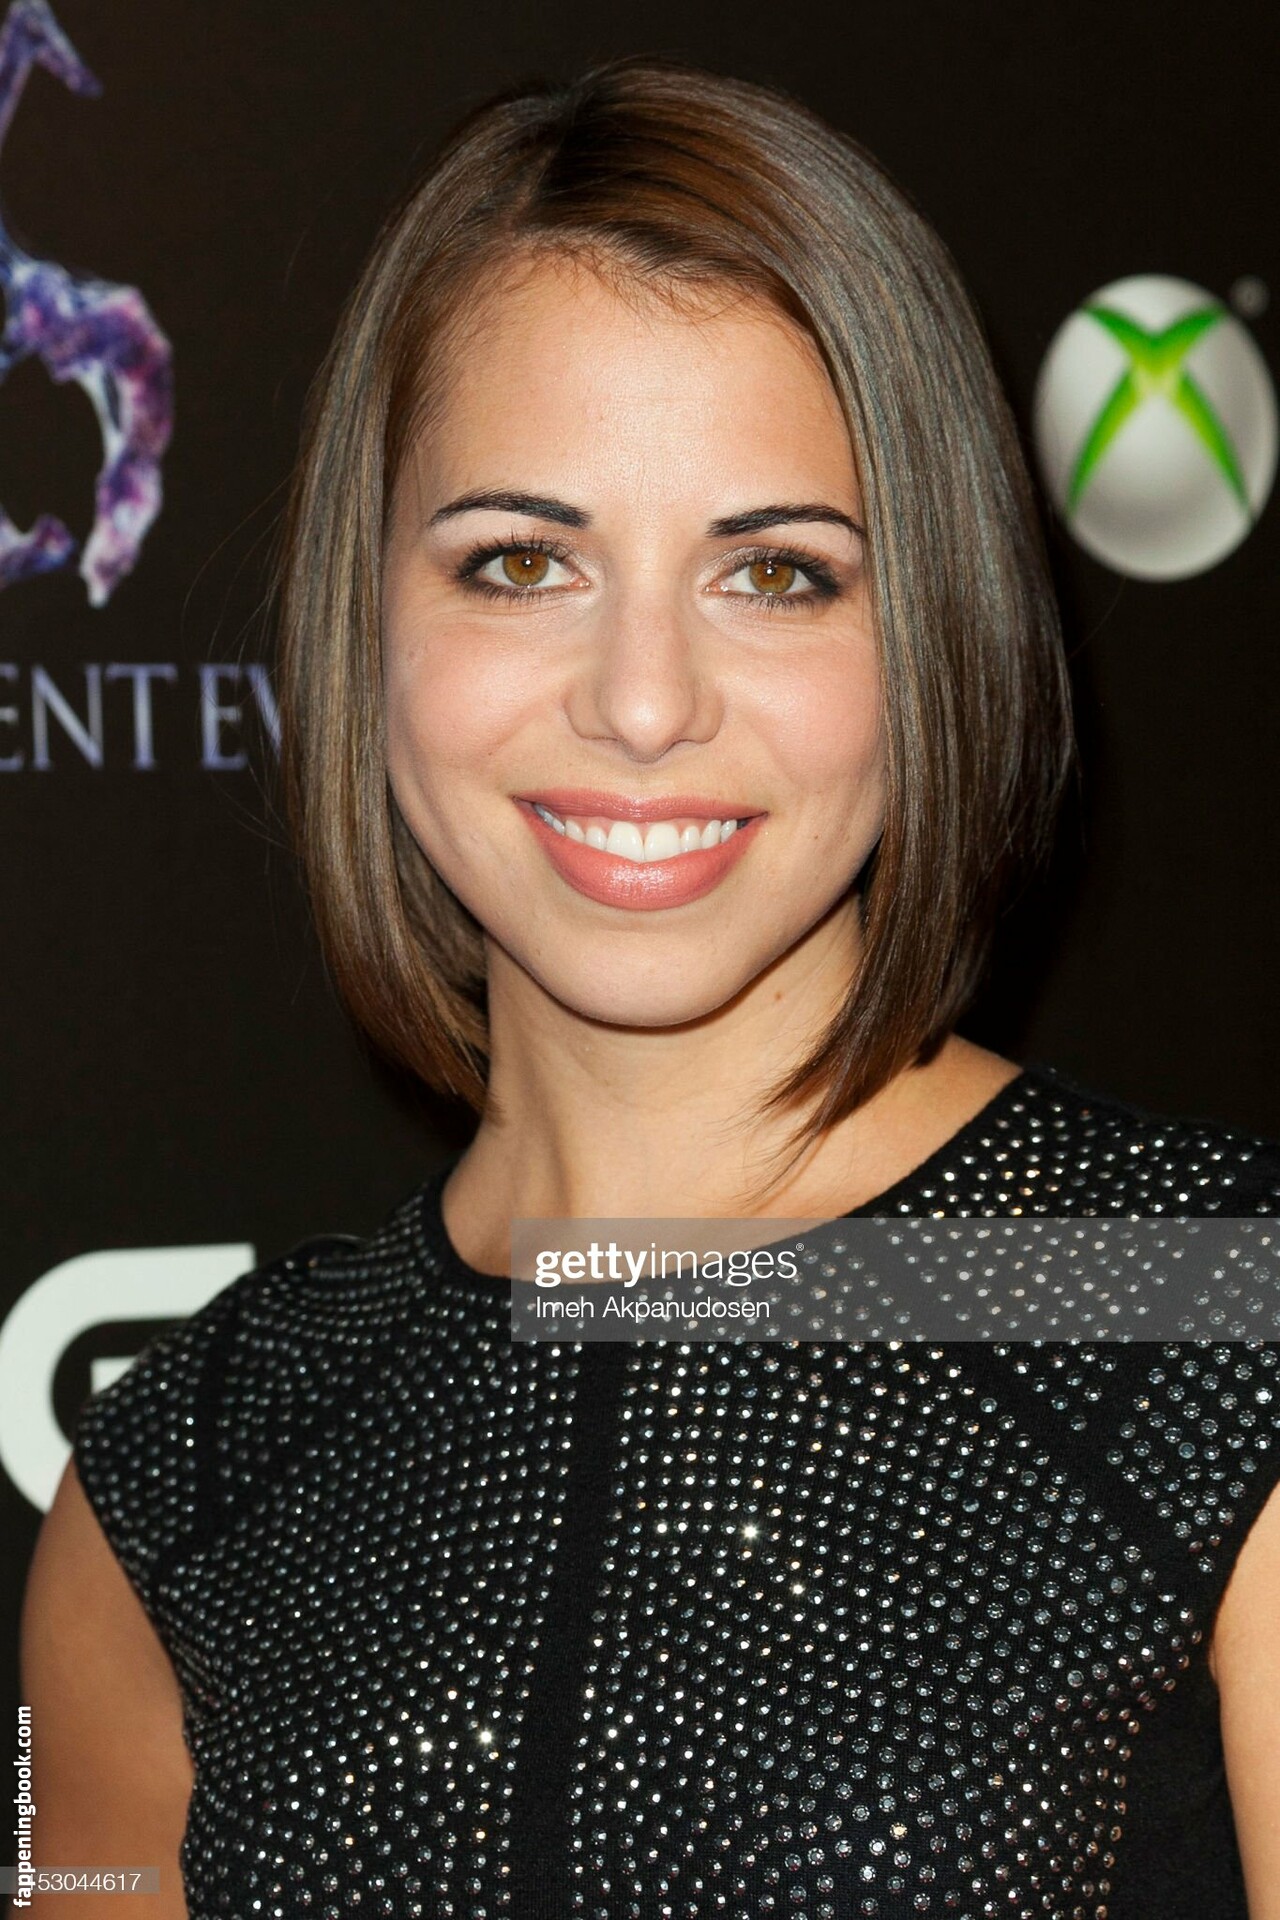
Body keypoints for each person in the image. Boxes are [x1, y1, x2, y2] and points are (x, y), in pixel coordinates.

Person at [15, 55, 1280, 1920]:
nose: (642, 702)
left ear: (935, 626)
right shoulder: (172, 1485)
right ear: (369, 617)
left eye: (777, 575)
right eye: (522, 561)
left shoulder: (1222, 1318)